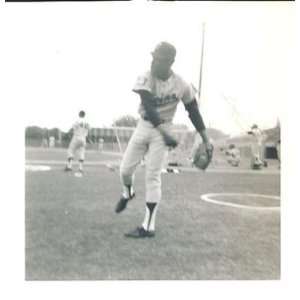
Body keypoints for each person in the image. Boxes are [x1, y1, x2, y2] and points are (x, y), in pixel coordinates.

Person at [115, 42, 213, 238]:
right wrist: (165, 133)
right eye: (154, 57)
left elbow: (193, 110)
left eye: (159, 60)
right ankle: (128, 193)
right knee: (125, 170)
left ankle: (148, 227)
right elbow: (149, 107)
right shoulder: (145, 76)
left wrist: (206, 138)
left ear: (170, 62)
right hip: (145, 125)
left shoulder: (181, 84)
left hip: (165, 127)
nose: (154, 62)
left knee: (153, 176)